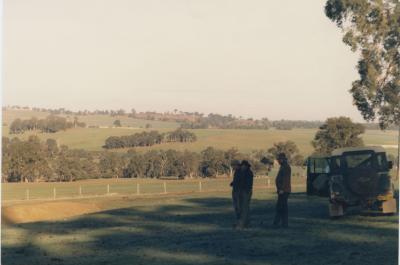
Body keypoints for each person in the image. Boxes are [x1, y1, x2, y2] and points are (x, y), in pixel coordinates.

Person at [273, 153, 291, 228]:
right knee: (281, 207)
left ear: (283, 159)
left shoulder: (286, 167)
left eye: (279, 159)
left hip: (284, 190)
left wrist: (282, 189)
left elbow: (285, 180)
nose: (278, 161)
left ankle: (280, 223)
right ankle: (281, 223)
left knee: (282, 207)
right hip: (282, 190)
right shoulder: (283, 167)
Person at [234, 160, 254, 229]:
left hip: (246, 192)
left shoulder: (248, 173)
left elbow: (247, 184)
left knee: (244, 208)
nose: (241, 167)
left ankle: (241, 225)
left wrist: (244, 190)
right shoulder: (243, 172)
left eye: (242, 166)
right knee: (245, 208)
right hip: (243, 191)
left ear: (245, 166)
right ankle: (248, 223)